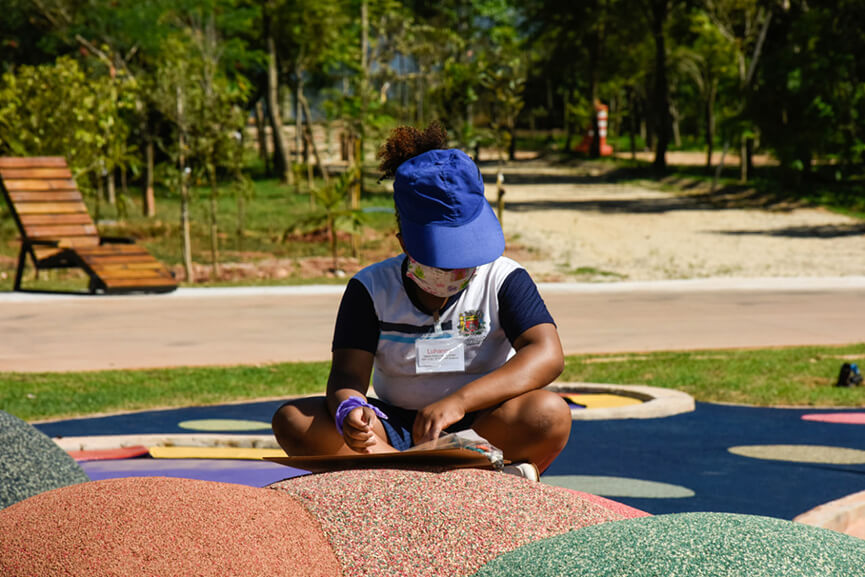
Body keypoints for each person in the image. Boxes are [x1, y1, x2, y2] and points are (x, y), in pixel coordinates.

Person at [272, 122, 571, 475]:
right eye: (442, 260)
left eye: (467, 257)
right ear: (404, 245)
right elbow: (346, 376)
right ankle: (418, 469)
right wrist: (350, 410)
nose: (456, 270)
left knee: (549, 413)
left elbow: (547, 354)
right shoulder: (370, 288)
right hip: (392, 428)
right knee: (293, 420)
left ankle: (399, 471)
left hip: (483, 421)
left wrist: (458, 402)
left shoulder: (503, 277)